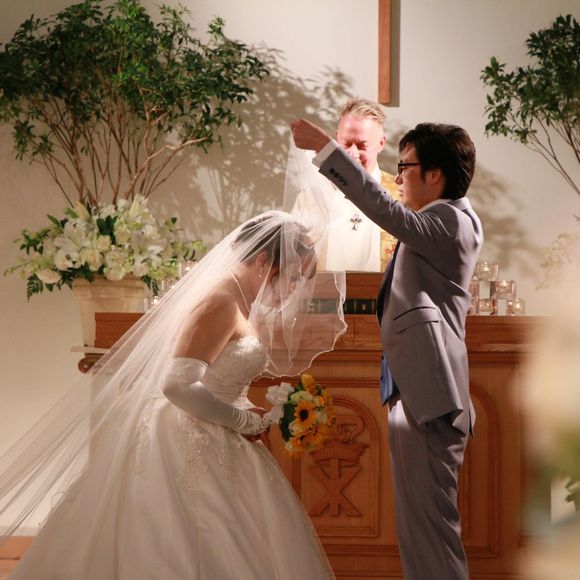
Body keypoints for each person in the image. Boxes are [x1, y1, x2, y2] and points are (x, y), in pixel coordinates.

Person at [0, 210, 346, 579]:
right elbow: (177, 385)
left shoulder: (240, 300)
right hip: (185, 436)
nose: (295, 287)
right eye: (293, 276)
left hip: (220, 432)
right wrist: (245, 421)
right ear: (263, 262)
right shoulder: (221, 301)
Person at [291, 118, 483, 580]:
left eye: (405, 167)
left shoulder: (449, 220)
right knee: (419, 532)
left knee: (431, 533)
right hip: (418, 393)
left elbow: (385, 210)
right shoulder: (444, 219)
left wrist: (327, 150)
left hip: (430, 399)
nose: (397, 178)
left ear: (434, 174)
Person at [293, 98, 400, 272]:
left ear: (381, 143)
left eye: (362, 145)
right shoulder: (311, 197)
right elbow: (294, 256)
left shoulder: (402, 195)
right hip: (324, 289)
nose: (353, 153)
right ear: (337, 138)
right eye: (346, 143)